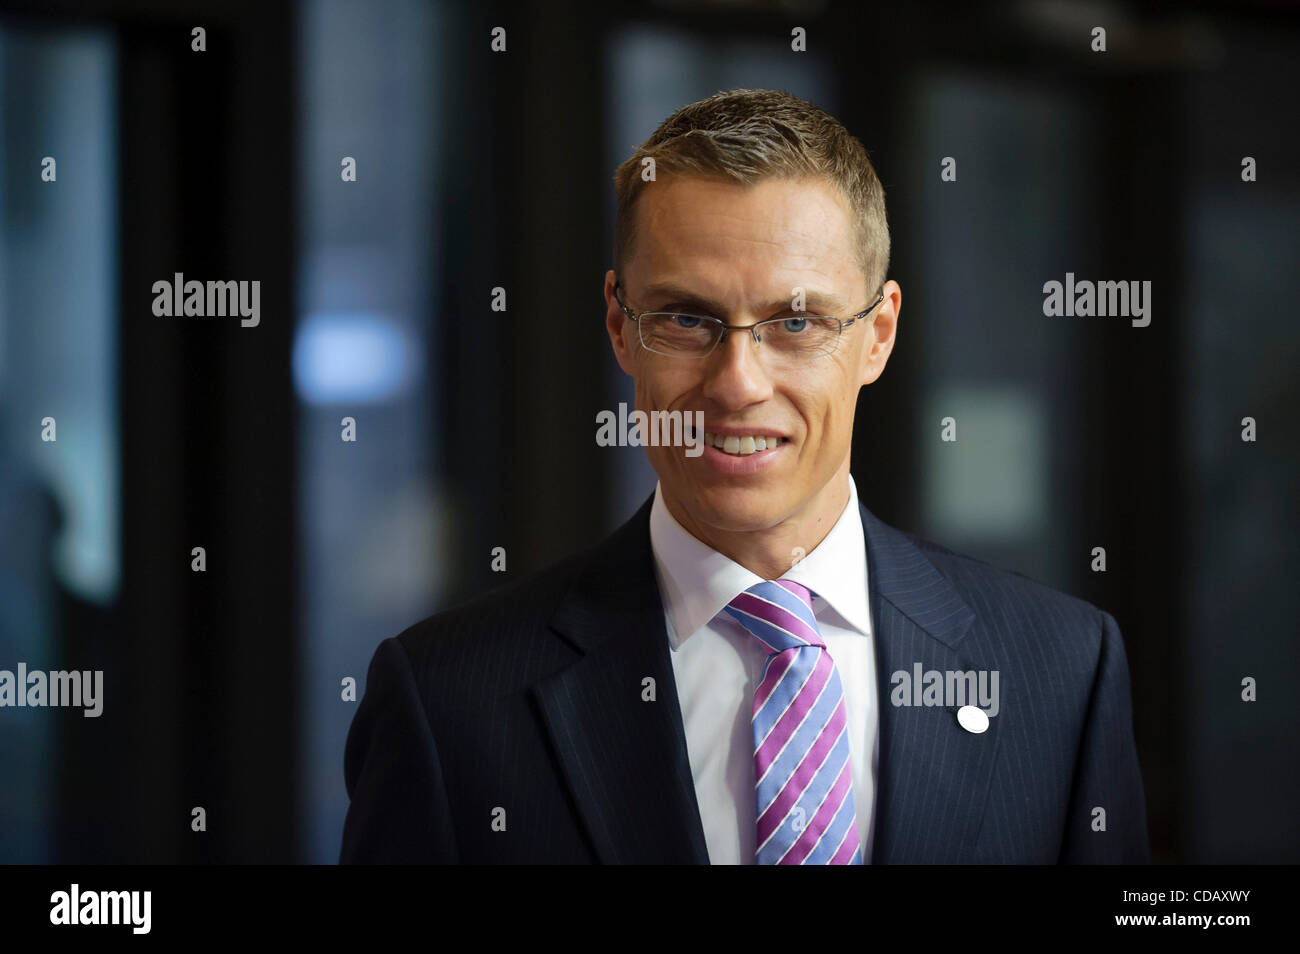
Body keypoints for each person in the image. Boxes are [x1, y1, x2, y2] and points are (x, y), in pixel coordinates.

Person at [339, 88, 1149, 864]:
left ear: (879, 335)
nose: (738, 384)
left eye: (796, 322)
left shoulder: (1060, 672)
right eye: (687, 318)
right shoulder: (449, 703)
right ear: (621, 329)